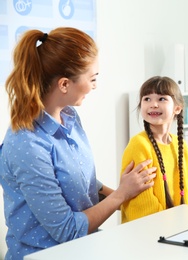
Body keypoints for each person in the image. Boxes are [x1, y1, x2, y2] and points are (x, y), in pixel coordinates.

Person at [0, 27, 156, 260]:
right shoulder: (27, 144)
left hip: (85, 248)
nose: (95, 86)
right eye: (92, 79)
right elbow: (67, 230)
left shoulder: (69, 117)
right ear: (64, 84)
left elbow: (77, 179)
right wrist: (121, 195)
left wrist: (129, 196)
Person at [120, 76, 188, 222]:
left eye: (162, 99)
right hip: (147, 231)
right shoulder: (139, 144)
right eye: (147, 99)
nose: (153, 104)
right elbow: (141, 206)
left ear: (177, 108)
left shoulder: (180, 144)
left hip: (178, 229)